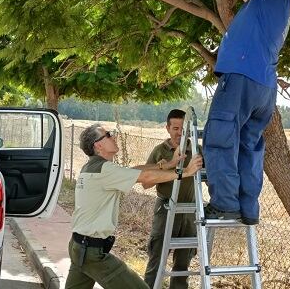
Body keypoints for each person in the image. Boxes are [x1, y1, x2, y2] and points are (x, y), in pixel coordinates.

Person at [203, 0, 290, 225]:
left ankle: (225, 204)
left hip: (242, 76)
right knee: (247, 145)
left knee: (221, 137)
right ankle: (247, 209)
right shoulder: (272, 4)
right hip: (263, 87)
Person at [66, 123, 203, 289]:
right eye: (108, 135)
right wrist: (186, 172)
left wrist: (168, 164)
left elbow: (134, 170)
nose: (114, 136)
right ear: (98, 145)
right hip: (92, 252)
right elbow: (144, 176)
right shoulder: (104, 170)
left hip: (79, 246)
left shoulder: (92, 167)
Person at [142, 109, 199, 289]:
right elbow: (145, 183)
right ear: (167, 128)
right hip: (165, 210)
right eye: (175, 128)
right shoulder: (160, 152)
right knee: (157, 260)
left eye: (183, 128)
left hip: (189, 213)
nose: (179, 132)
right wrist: (167, 167)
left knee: (183, 264)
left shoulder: (196, 151)